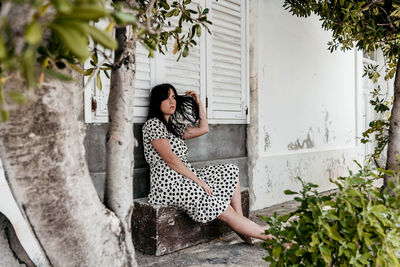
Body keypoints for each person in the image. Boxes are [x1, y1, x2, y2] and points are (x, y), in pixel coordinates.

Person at [142, 83, 274, 244]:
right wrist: (199, 182)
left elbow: (204, 129)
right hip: (168, 184)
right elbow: (171, 160)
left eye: (174, 97)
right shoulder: (153, 125)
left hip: (185, 177)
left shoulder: (174, 127)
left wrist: (199, 103)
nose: (172, 101)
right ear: (157, 101)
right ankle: (273, 237)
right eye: (167, 97)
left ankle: (240, 222)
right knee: (220, 205)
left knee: (230, 170)